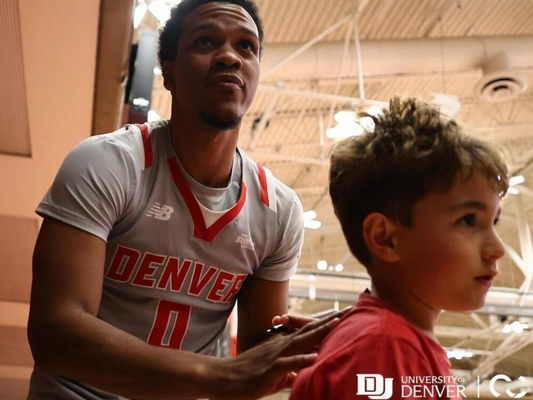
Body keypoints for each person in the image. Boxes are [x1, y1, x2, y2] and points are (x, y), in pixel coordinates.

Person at [27, 1, 341, 399]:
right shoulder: (108, 163)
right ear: (170, 72)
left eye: (247, 47)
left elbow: (254, 362)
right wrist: (219, 375)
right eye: (206, 40)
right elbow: (55, 334)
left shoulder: (278, 211)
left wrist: (309, 344)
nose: (230, 56)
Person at [289, 97, 508, 400]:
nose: (497, 248)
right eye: (468, 220)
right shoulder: (383, 348)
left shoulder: (399, 344)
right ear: (385, 238)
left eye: (494, 221)